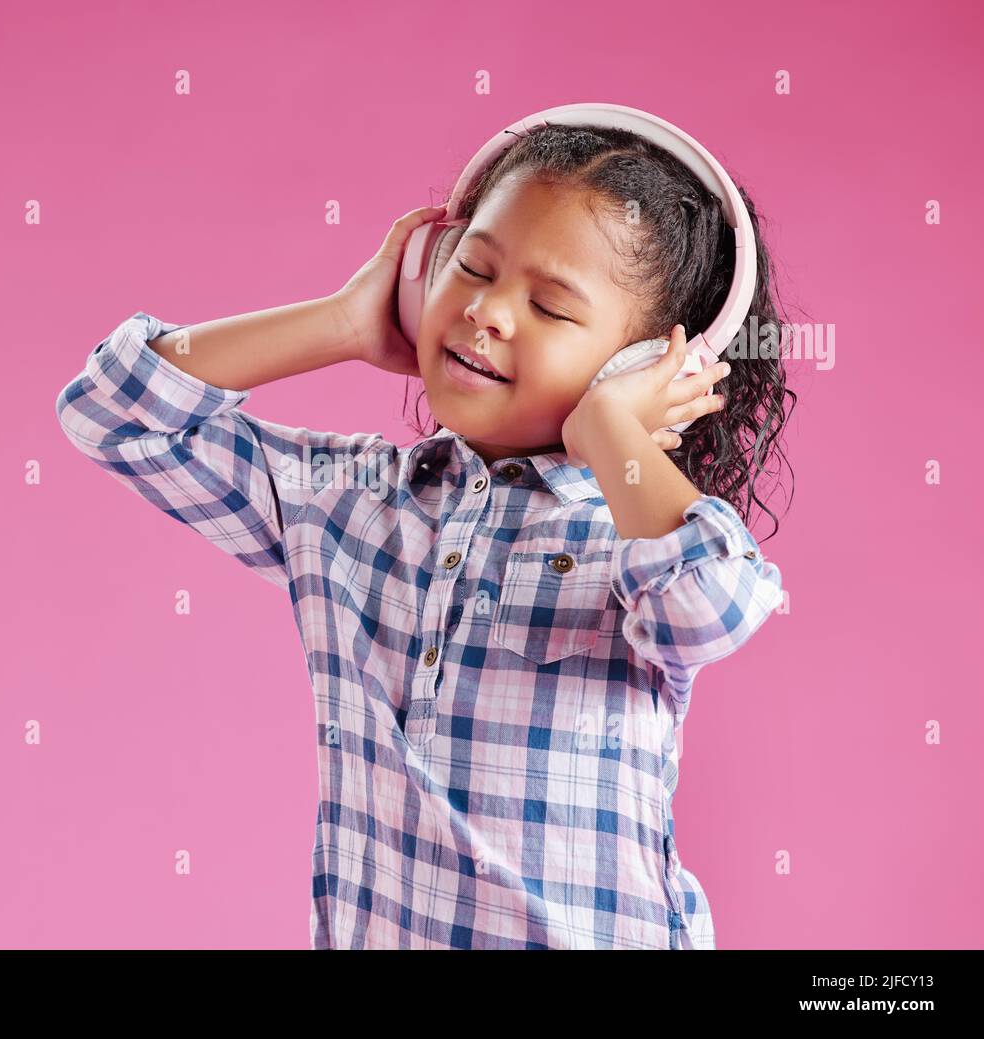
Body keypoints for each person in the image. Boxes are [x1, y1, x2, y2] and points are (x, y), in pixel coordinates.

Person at [55, 122, 794, 949]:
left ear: (646, 367)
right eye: (472, 267)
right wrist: (339, 323)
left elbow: (708, 606)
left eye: (548, 305)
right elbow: (113, 412)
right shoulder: (350, 503)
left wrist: (612, 426)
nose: (486, 310)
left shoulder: (630, 542)